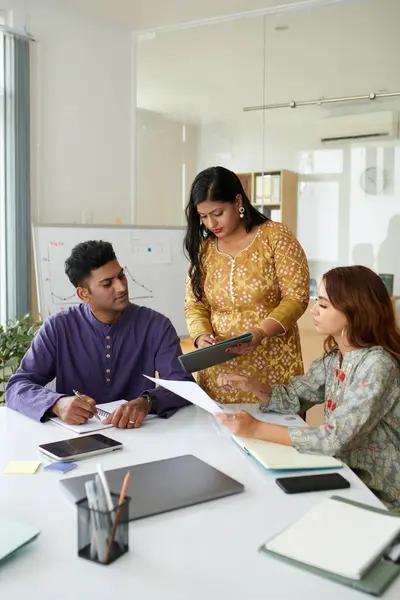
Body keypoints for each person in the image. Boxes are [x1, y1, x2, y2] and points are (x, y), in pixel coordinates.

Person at [216, 266, 400, 510]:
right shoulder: (334, 359)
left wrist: (257, 429)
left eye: (323, 305)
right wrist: (253, 385)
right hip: (346, 476)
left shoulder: (377, 365)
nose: (313, 310)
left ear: (355, 310)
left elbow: (336, 437)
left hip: (381, 496)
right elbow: (294, 396)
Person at [6, 240, 192, 428]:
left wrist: (146, 402)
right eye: (107, 283)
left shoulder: (156, 325)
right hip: (76, 439)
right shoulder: (58, 327)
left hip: (141, 433)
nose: (121, 287)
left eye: (121, 276)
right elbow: (17, 387)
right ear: (83, 294)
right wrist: (57, 403)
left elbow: (183, 385)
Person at [184, 166, 310, 404]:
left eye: (218, 213)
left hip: (272, 367)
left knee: (273, 437)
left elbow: (296, 297)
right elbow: (195, 305)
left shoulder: (275, 237)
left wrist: (261, 333)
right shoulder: (205, 250)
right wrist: (202, 337)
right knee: (220, 437)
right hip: (219, 374)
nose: (211, 223)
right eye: (203, 216)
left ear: (238, 201)